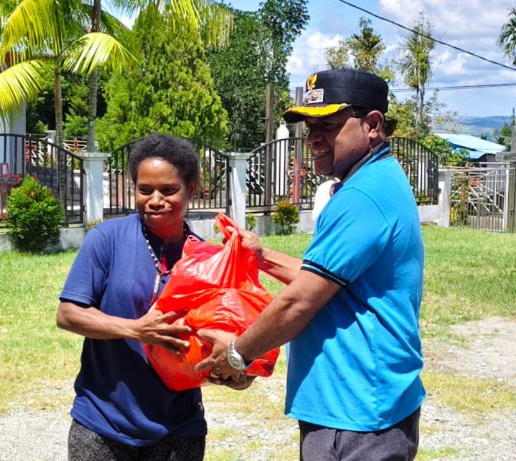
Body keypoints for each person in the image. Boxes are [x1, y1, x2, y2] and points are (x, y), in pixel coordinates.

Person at [197, 69, 426, 461]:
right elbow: (328, 279)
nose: (314, 138)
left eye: (329, 125)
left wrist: (237, 354)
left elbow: (300, 301)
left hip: (356, 416)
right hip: (361, 406)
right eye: (309, 127)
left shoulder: (362, 196)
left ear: (372, 124)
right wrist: (262, 257)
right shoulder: (376, 180)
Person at [56, 134, 248, 461]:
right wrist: (135, 329)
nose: (155, 200)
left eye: (168, 190)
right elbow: (68, 314)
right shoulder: (107, 239)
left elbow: (223, 338)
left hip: (178, 428)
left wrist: (235, 372)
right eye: (144, 190)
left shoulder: (209, 260)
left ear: (192, 187)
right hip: (102, 423)